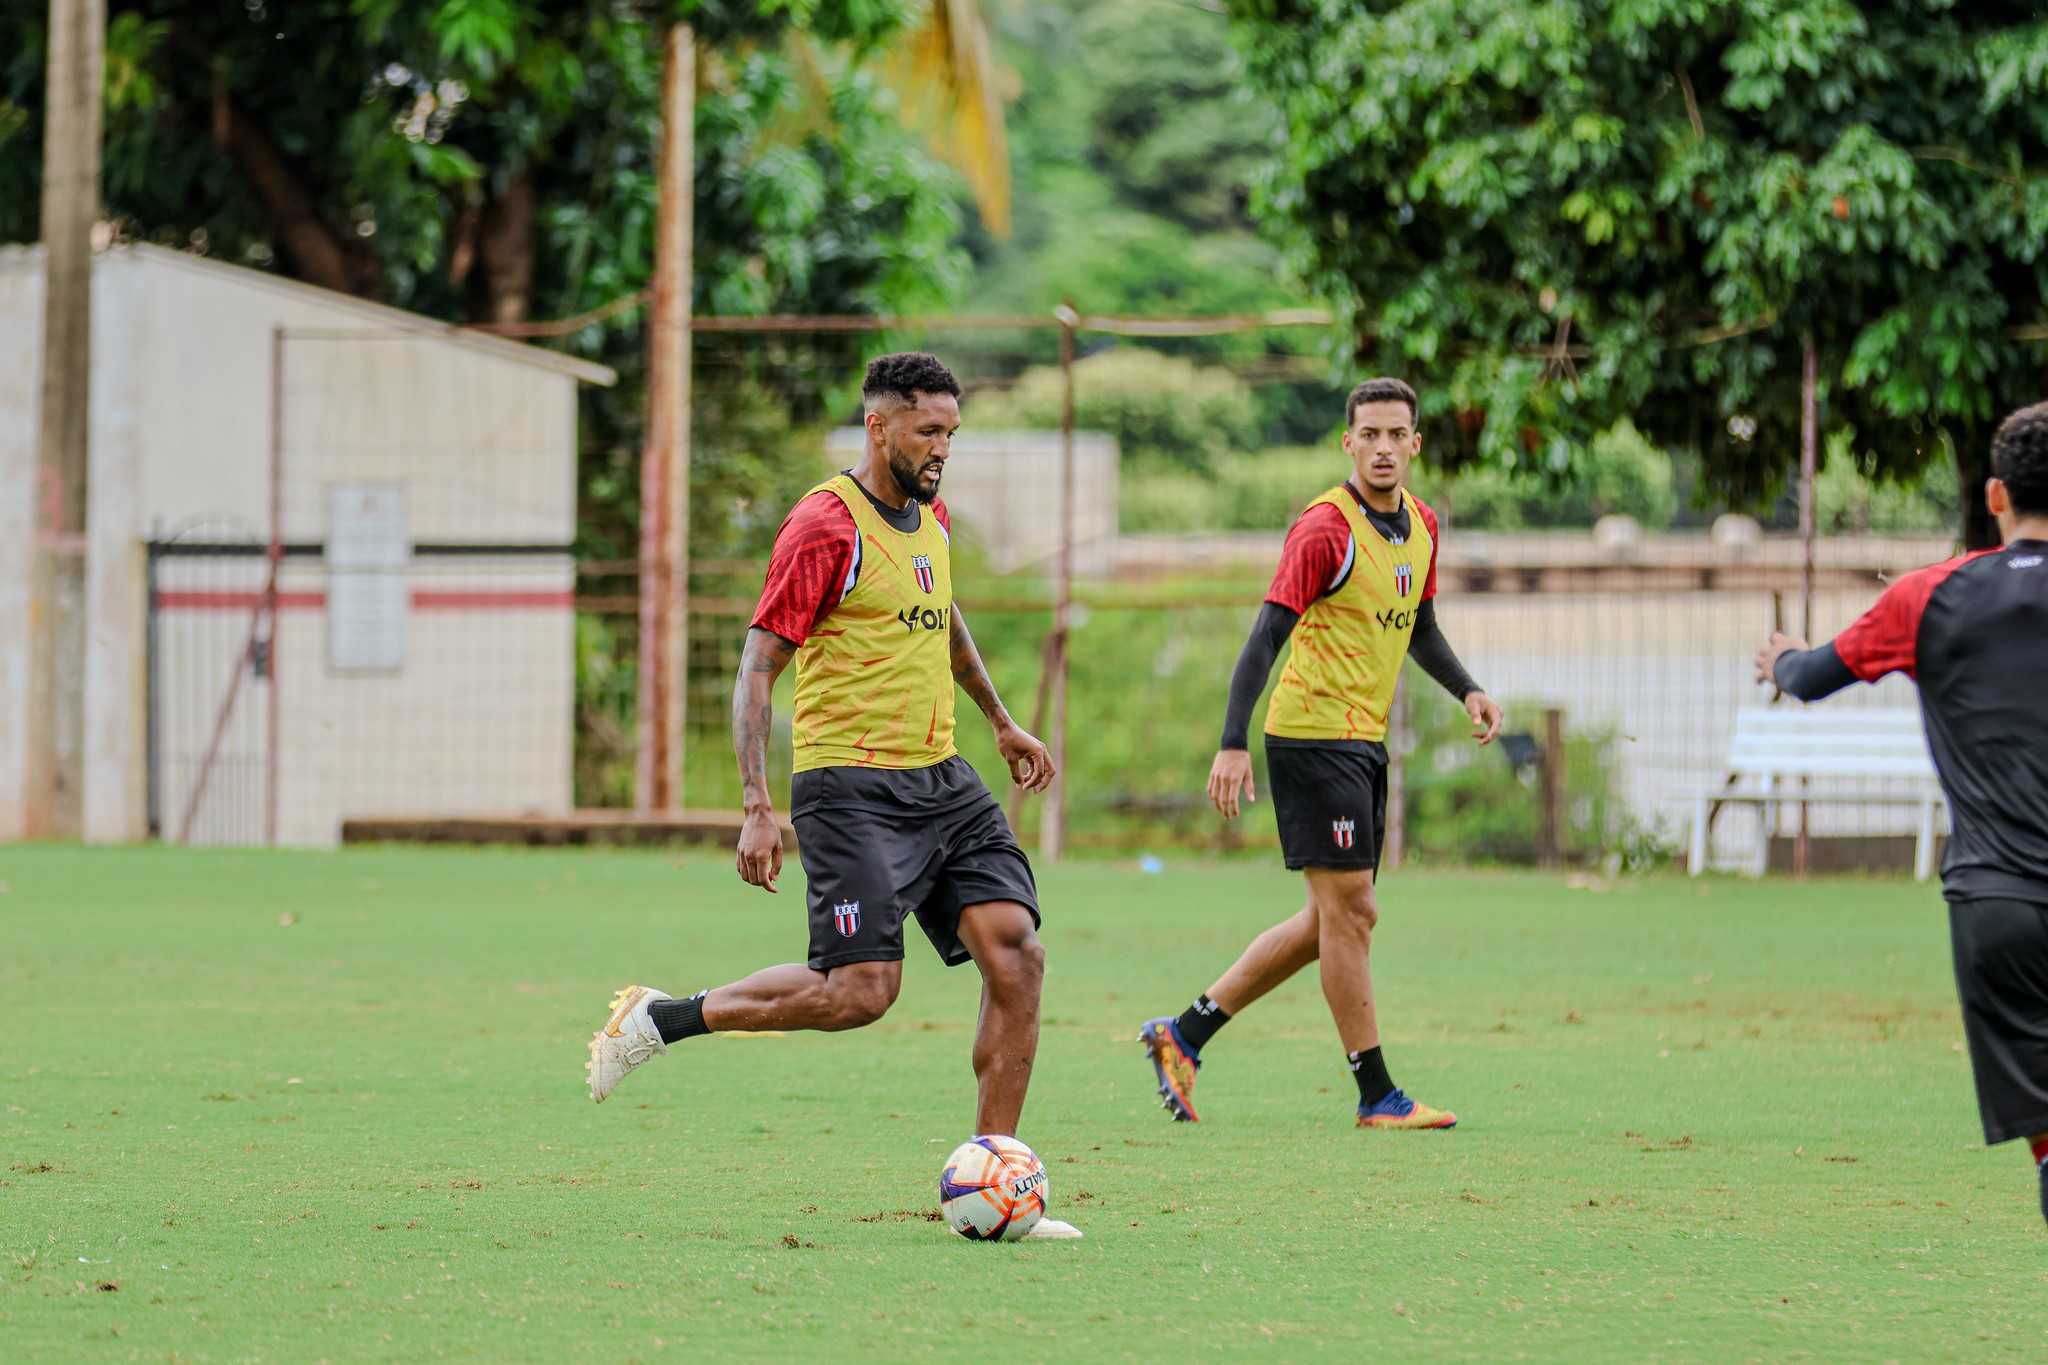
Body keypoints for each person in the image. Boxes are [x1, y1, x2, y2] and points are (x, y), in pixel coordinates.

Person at [587, 352, 1080, 1239]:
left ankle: (995, 1177)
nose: (941, 449)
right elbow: (757, 663)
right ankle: (660, 1018)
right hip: (850, 786)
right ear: (879, 427)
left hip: (944, 780)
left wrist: (1001, 720)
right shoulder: (825, 523)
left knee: (1018, 955)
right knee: (858, 993)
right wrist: (755, 804)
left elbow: (941, 615)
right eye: (927, 431)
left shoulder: (927, 517)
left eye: (951, 433)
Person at [1138, 378, 1503, 1129]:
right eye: (1367, 433)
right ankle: (1377, 1094)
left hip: (1362, 740)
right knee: (1354, 912)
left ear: (1415, 444)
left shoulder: (1423, 525)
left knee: (1328, 921)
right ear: (1348, 442)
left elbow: (1419, 628)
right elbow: (1263, 637)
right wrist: (1231, 742)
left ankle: (1185, 1034)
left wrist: (1467, 689)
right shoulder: (1325, 529)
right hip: (1310, 736)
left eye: (1395, 434)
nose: (1381, 447)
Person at [1756, 401, 2048, 1225]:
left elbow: (1811, 676)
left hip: (1999, 909)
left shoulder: (1928, 595)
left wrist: (1777, 656)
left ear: (1995, 495)